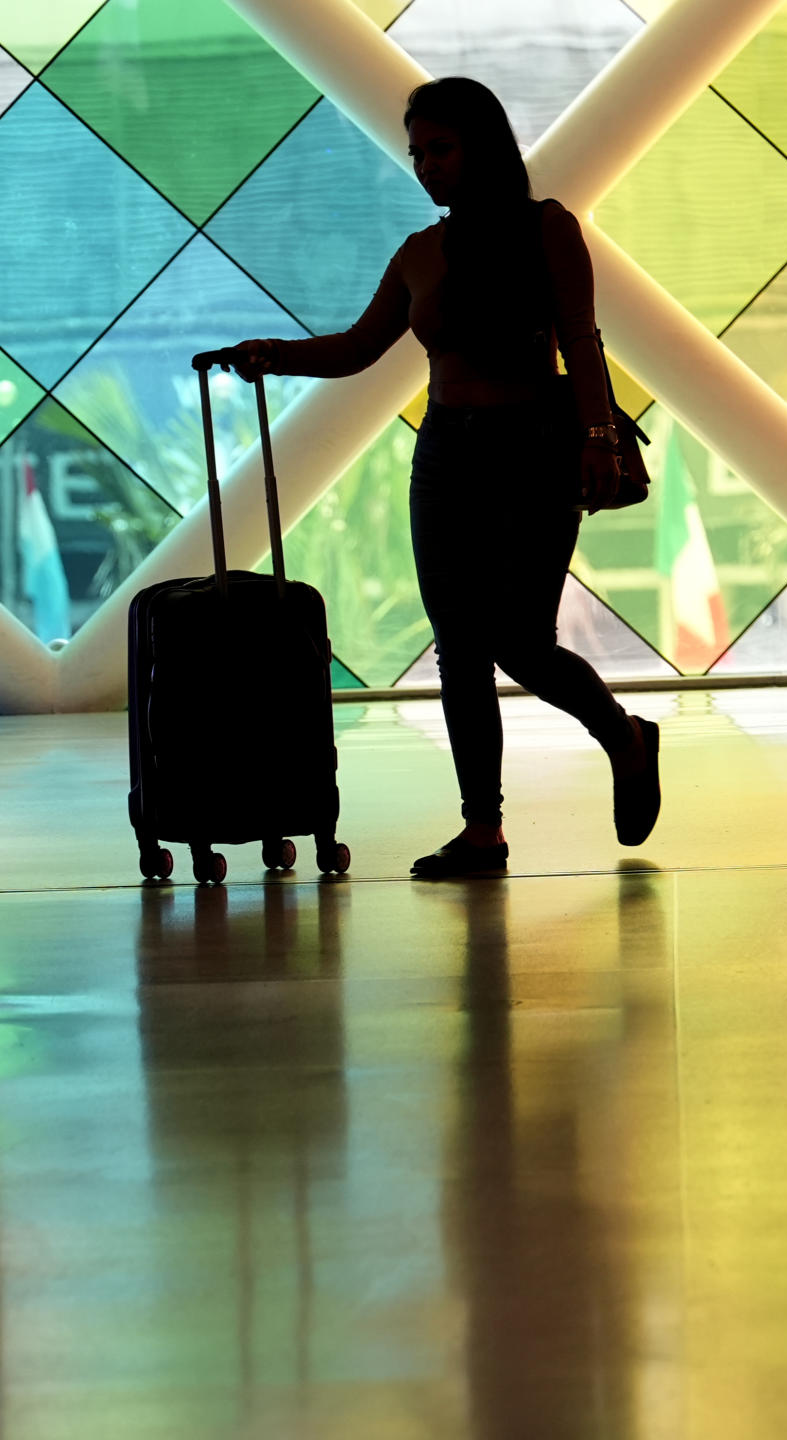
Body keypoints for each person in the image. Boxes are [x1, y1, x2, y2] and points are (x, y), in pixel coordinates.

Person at [225, 77, 661, 878]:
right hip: (447, 452)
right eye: (418, 152)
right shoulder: (419, 253)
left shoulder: (546, 229)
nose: (427, 166)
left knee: (521, 642)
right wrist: (271, 355)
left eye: (443, 148)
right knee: (459, 647)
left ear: (484, 146)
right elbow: (359, 348)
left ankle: (626, 739)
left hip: (534, 445)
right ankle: (482, 831)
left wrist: (598, 437)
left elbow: (581, 339)